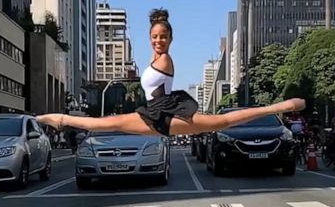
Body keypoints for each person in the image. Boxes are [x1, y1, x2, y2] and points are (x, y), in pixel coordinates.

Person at [36, 8, 305, 136]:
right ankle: (60, 119)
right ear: (150, 37)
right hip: (156, 112)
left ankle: (280, 106)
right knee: (107, 123)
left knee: (222, 122)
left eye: (163, 36)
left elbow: (159, 78)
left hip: (165, 114)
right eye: (154, 36)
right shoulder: (156, 56)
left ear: (170, 39)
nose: (158, 40)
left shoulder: (165, 59)